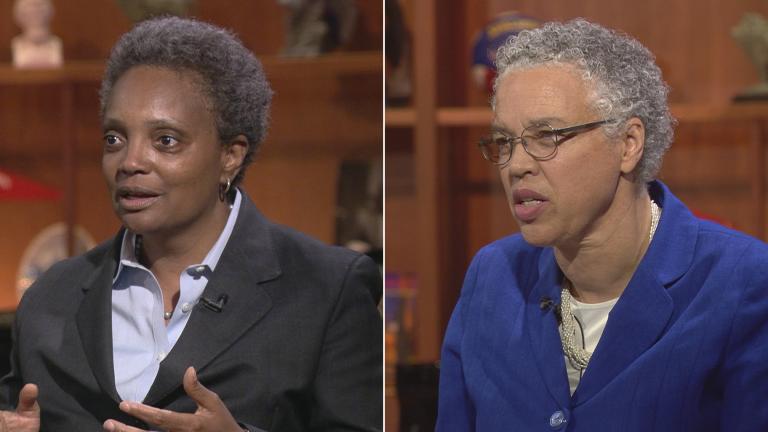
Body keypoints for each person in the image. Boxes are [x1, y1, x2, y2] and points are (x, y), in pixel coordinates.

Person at [0, 17, 382, 431]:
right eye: (114, 138)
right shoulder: (49, 299)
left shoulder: (326, 291)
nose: (130, 162)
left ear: (230, 155)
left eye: (165, 140)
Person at [436, 19, 768, 431]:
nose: (517, 166)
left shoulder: (745, 283)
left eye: (548, 137)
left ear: (628, 144)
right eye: (505, 141)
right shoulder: (492, 277)